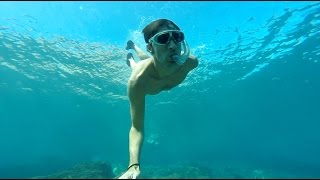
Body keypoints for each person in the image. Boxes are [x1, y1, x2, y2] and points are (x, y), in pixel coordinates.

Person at [118, 19, 199, 179]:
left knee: (149, 60)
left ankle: (134, 46)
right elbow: (137, 127)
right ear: (150, 47)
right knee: (138, 66)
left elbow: (158, 57)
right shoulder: (138, 82)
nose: (172, 45)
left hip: (154, 63)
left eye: (177, 37)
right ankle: (131, 60)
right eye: (163, 39)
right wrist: (133, 165)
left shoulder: (191, 63)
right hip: (146, 73)